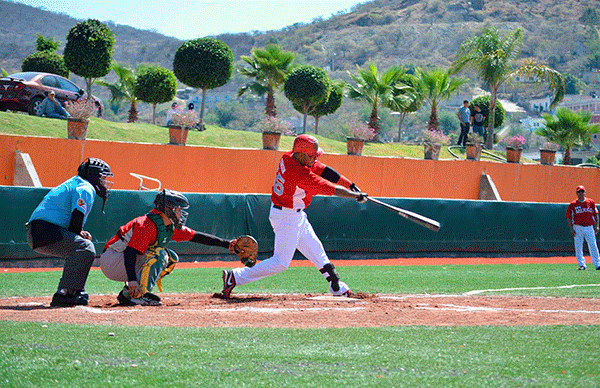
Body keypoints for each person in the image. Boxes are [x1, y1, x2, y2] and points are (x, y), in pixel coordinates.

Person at [220, 134, 367, 299]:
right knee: (281, 262)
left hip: (295, 215)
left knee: (317, 250)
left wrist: (350, 185)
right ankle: (235, 277)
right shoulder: (299, 174)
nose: (314, 159)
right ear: (302, 154)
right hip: (286, 217)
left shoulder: (290, 156)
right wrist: (356, 196)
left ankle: (336, 285)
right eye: (312, 156)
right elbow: (329, 188)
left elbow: (323, 169)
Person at [100, 189, 239, 306]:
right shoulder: (146, 224)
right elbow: (130, 252)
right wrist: (131, 280)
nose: (181, 213)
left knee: (171, 258)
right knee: (159, 255)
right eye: (178, 209)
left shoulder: (166, 224)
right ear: (169, 209)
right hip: (113, 259)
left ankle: (128, 294)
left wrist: (228, 244)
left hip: (121, 259)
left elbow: (197, 237)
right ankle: (137, 296)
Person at [26, 158, 114, 307]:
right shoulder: (85, 188)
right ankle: (66, 293)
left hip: (40, 231)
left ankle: (74, 290)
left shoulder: (77, 182)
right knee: (84, 248)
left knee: (81, 247)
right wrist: (78, 232)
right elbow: (77, 216)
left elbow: (73, 222)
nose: (104, 182)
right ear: (94, 175)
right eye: (103, 177)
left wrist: (78, 233)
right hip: (44, 230)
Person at [565, 185, 600, 270]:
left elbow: (595, 215)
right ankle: (582, 265)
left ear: (585, 193)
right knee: (578, 246)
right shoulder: (573, 204)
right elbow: (568, 217)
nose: (581, 193)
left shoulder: (590, 202)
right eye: (579, 192)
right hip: (578, 227)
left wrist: (597, 226)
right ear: (576, 193)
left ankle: (598, 264)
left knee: (593, 245)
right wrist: (571, 228)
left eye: (582, 192)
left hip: (589, 227)